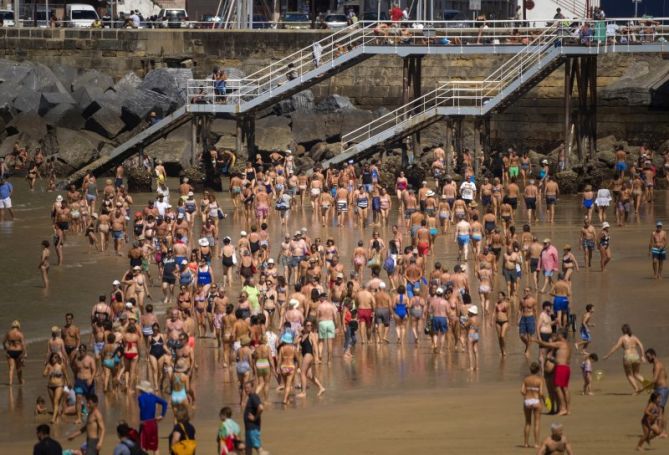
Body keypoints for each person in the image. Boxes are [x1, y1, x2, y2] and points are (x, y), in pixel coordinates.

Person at [535, 330, 572, 416]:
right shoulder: (568, 345)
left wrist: (535, 340)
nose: (557, 336)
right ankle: (567, 409)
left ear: (561, 335)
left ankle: (562, 408)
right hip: (566, 367)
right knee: (565, 389)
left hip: (561, 367)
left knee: (558, 388)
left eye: (558, 334)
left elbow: (546, 344)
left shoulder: (561, 343)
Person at [603, 324, 645, 393]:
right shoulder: (634, 337)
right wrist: (642, 356)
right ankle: (648, 385)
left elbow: (616, 347)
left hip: (628, 356)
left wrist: (607, 355)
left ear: (622, 330)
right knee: (637, 374)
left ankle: (637, 389)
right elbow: (641, 345)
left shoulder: (622, 338)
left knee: (629, 374)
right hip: (636, 356)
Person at [137, 380, 168, 454]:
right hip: (153, 423)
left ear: (141, 389)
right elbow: (165, 403)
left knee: (143, 447)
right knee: (155, 447)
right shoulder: (153, 396)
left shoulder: (140, 397)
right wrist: (162, 415)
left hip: (144, 423)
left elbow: (143, 406)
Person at [644, 349, 668, 438]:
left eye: (648, 357)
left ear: (653, 355)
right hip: (659, 389)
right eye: (646, 357)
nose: (647, 359)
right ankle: (661, 431)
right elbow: (665, 375)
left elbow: (654, 379)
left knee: (660, 412)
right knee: (659, 411)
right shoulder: (658, 364)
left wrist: (644, 387)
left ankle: (661, 432)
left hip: (662, 390)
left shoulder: (657, 365)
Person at [521, 362, 545, 449]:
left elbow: (522, 391)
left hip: (527, 401)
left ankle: (526, 443)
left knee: (527, 422)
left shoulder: (526, 379)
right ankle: (536, 444)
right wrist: (545, 400)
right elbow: (541, 393)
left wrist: (528, 393)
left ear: (530, 370)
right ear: (538, 370)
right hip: (536, 401)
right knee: (537, 423)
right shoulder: (539, 380)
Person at [243, 380, 268, 455]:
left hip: (253, 428)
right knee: (248, 449)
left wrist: (255, 418)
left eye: (248, 388)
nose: (246, 390)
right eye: (245, 388)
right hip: (249, 429)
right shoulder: (250, 397)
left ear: (252, 388)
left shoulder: (253, 396)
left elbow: (261, 408)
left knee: (259, 449)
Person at [3, 319, 26, 385]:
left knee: (11, 368)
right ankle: (20, 381)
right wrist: (25, 353)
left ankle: (10, 382)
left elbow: (3, 342)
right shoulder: (20, 334)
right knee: (19, 367)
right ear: (18, 326)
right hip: (18, 351)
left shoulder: (8, 333)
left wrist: (5, 348)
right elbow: (23, 344)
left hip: (10, 351)